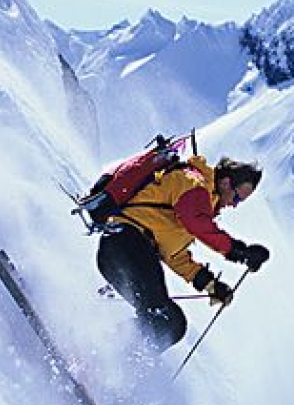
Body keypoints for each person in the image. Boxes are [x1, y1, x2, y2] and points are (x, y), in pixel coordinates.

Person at [96, 149, 270, 351]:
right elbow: (196, 223)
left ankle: (103, 354)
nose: (234, 205)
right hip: (126, 244)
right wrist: (239, 252)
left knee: (169, 323)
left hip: (121, 251)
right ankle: (101, 352)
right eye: (237, 198)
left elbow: (175, 256)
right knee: (166, 320)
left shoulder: (200, 202)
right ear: (225, 183)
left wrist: (211, 285)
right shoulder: (194, 183)